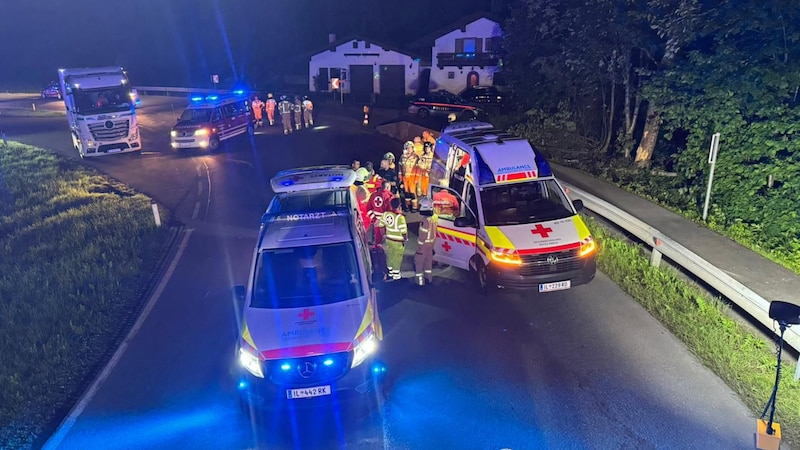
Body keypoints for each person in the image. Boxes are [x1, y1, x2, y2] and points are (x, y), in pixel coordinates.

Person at [379, 198, 407, 281]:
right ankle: (396, 277)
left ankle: (390, 273)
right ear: (399, 206)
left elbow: (381, 226)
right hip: (398, 242)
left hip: (389, 240)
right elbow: (404, 231)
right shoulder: (400, 217)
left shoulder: (385, 214)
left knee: (389, 256)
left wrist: (384, 235)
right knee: (397, 259)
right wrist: (405, 239)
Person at [414, 196, 438, 286]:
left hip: (424, 245)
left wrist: (419, 245)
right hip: (431, 244)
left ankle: (419, 283)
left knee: (418, 263)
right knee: (428, 262)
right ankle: (429, 279)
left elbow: (423, 235)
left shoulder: (425, 221)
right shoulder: (434, 219)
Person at [399, 141, 420, 211]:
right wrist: (400, 178)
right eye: (407, 148)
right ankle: (407, 206)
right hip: (405, 178)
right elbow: (400, 168)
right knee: (406, 193)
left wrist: (417, 178)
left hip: (412, 178)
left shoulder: (416, 157)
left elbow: (418, 169)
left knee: (412, 193)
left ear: (413, 148)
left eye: (410, 148)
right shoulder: (402, 157)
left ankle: (414, 207)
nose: (409, 149)